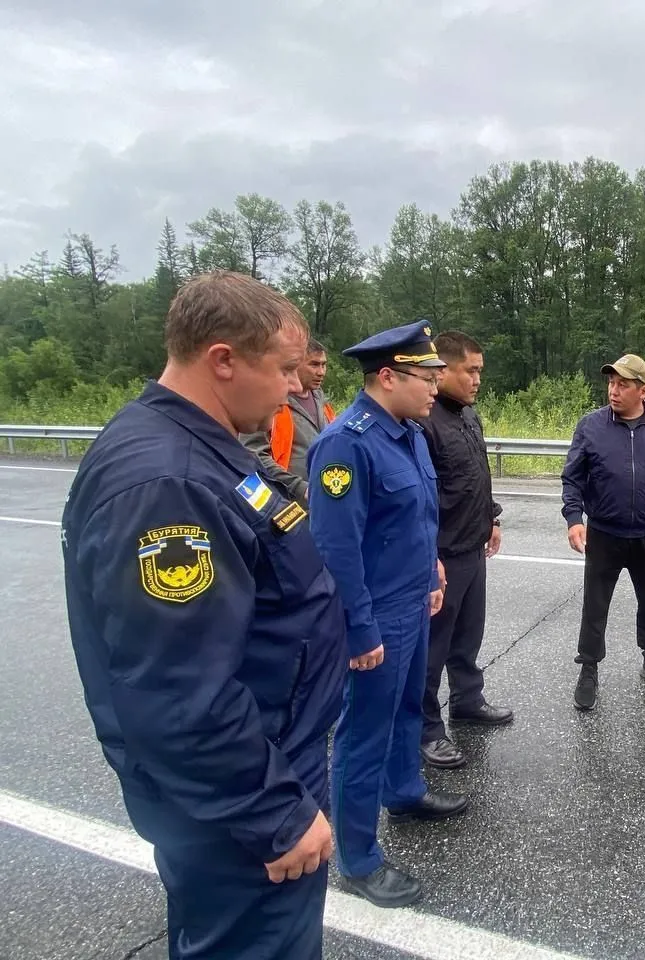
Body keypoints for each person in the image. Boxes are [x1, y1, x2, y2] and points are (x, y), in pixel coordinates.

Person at [60, 270, 347, 959]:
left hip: (265, 767)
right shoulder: (169, 486)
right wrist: (275, 812)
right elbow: (177, 690)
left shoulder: (207, 450)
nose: (296, 387)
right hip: (243, 809)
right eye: (281, 369)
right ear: (222, 359)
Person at [306, 319, 469, 909]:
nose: (435, 385)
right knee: (363, 733)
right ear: (386, 376)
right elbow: (335, 549)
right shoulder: (346, 443)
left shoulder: (408, 433)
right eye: (426, 376)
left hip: (412, 603)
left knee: (406, 709)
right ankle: (357, 857)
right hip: (374, 616)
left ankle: (404, 791)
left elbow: (416, 520)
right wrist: (358, 628)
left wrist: (432, 572)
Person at [561, 353, 645, 711]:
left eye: (623, 384)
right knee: (595, 605)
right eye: (611, 382)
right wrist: (574, 518)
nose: (613, 390)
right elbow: (572, 478)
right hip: (604, 534)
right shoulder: (591, 426)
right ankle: (588, 668)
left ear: (643, 390)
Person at [413, 330, 513, 770]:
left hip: (473, 546)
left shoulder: (470, 416)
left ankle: (468, 701)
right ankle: (427, 729)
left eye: (479, 372)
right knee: (433, 647)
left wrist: (491, 518)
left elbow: (476, 472)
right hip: (443, 554)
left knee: (468, 636)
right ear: (443, 369)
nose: (477, 380)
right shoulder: (425, 422)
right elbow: (420, 495)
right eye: (469, 371)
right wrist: (428, 557)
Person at [241, 337, 335, 501]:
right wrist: (301, 488)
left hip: (324, 501)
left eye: (323, 364)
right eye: (314, 364)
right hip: (286, 503)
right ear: (295, 364)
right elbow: (254, 456)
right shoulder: (269, 400)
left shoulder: (322, 400)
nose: (321, 372)